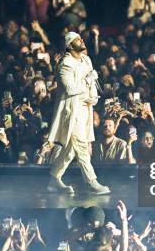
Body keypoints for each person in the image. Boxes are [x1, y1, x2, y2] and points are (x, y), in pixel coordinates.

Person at [47, 32, 110, 195]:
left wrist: (92, 94)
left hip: (84, 110)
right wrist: (88, 80)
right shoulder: (65, 64)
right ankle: (91, 182)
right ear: (69, 45)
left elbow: (90, 85)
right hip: (71, 111)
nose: (82, 40)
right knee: (81, 146)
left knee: (70, 149)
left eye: (81, 38)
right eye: (77, 39)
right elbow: (70, 89)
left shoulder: (86, 60)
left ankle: (54, 179)